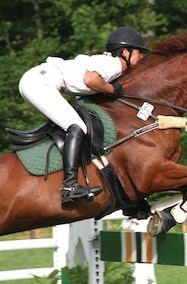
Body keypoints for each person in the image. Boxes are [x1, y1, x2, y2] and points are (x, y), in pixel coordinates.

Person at [18, 27, 149, 205]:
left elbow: (84, 93)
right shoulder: (116, 63)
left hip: (37, 80)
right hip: (40, 82)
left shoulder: (104, 62)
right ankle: (70, 185)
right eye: (139, 52)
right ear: (125, 52)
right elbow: (91, 81)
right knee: (77, 127)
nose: (142, 58)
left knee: (75, 124)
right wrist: (113, 90)